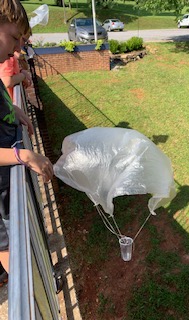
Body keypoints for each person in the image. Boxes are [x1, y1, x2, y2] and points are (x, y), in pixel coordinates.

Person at [0, 0, 53, 286]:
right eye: (13, 38)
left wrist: (15, 110)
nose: (18, 49)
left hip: (8, 180)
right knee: (10, 246)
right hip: (1, 189)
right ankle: (26, 287)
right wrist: (24, 156)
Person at [0, 27, 32, 101]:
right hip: (10, 103)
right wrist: (23, 76)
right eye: (23, 40)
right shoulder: (7, 56)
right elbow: (7, 81)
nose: (23, 44)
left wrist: (20, 71)